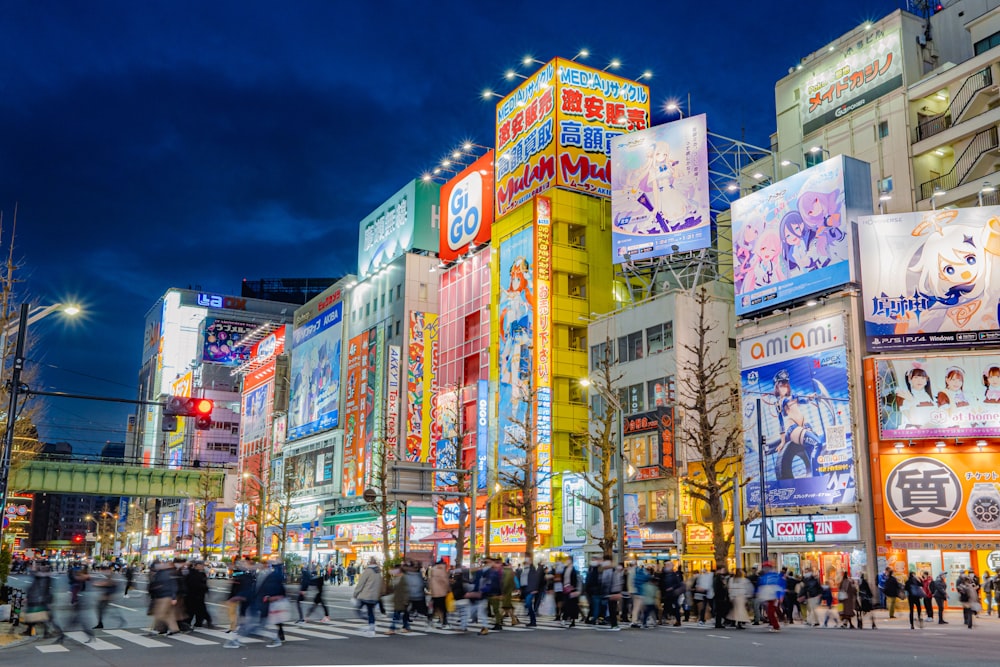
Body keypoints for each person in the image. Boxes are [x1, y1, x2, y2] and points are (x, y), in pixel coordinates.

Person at [23, 561, 62, 640]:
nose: (32, 567)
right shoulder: (40, 576)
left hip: (40, 599)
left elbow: (40, 589)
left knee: (44, 617)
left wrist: (35, 598)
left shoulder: (42, 577)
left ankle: (50, 632)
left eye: (35, 565)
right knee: (38, 616)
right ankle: (34, 630)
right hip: (39, 598)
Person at [147, 561, 180, 636]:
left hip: (165, 595)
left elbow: (173, 585)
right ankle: (174, 629)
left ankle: (159, 629)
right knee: (168, 614)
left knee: (160, 614)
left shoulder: (168, 573)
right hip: (162, 595)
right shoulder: (162, 572)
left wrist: (174, 597)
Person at [352, 557, 382, 637]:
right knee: (371, 611)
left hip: (366, 595)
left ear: (370, 562)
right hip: (374, 596)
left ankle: (369, 622)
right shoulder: (378, 572)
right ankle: (371, 626)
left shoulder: (367, 571)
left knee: (358, 609)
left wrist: (355, 594)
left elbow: (361, 584)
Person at [92, 565, 124, 629]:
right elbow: (107, 583)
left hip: (109, 594)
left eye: (101, 570)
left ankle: (120, 620)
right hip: (107, 594)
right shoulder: (109, 574)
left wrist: (99, 584)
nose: (101, 572)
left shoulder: (110, 574)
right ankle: (100, 623)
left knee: (103, 609)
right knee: (101, 608)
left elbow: (110, 583)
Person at [756, 562, 782, 632]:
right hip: (768, 596)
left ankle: (776, 626)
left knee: (771, 612)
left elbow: (779, 586)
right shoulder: (766, 576)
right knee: (770, 612)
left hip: (772, 597)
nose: (765, 569)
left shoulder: (773, 576)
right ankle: (776, 624)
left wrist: (779, 596)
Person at [186, 560, 213, 628]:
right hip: (193, 594)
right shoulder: (192, 573)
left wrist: (205, 588)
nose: (202, 566)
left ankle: (198, 622)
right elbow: (193, 583)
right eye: (201, 565)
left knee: (198, 609)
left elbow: (203, 583)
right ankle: (193, 622)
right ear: (196, 565)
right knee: (195, 609)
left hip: (199, 594)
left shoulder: (202, 573)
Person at [386, 564, 411, 635]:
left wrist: (406, 600)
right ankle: (406, 627)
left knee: (396, 615)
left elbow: (407, 590)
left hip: (402, 600)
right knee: (404, 614)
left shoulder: (404, 578)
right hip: (398, 600)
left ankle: (392, 628)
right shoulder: (396, 578)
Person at [428, 559, 451, 628]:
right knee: (443, 608)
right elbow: (445, 581)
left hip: (435, 592)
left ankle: (430, 620)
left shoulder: (433, 570)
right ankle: (444, 623)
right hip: (441, 592)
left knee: (435, 607)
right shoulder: (442, 571)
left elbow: (430, 582)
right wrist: (448, 589)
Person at [500, 560, 520, 626]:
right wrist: (517, 588)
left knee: (506, 606)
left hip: (506, 592)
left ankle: (500, 619)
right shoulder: (510, 572)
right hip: (508, 591)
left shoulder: (504, 572)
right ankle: (513, 620)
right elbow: (514, 581)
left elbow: (504, 583)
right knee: (507, 606)